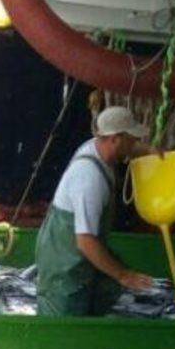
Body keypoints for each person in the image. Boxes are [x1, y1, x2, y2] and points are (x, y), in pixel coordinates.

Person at [36, 106, 156, 316]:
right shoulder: (89, 179)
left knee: (100, 290)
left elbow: (129, 147)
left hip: (73, 250)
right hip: (64, 263)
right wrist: (123, 276)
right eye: (131, 138)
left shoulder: (97, 146)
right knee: (64, 326)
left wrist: (149, 151)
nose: (134, 143)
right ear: (115, 139)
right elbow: (85, 242)